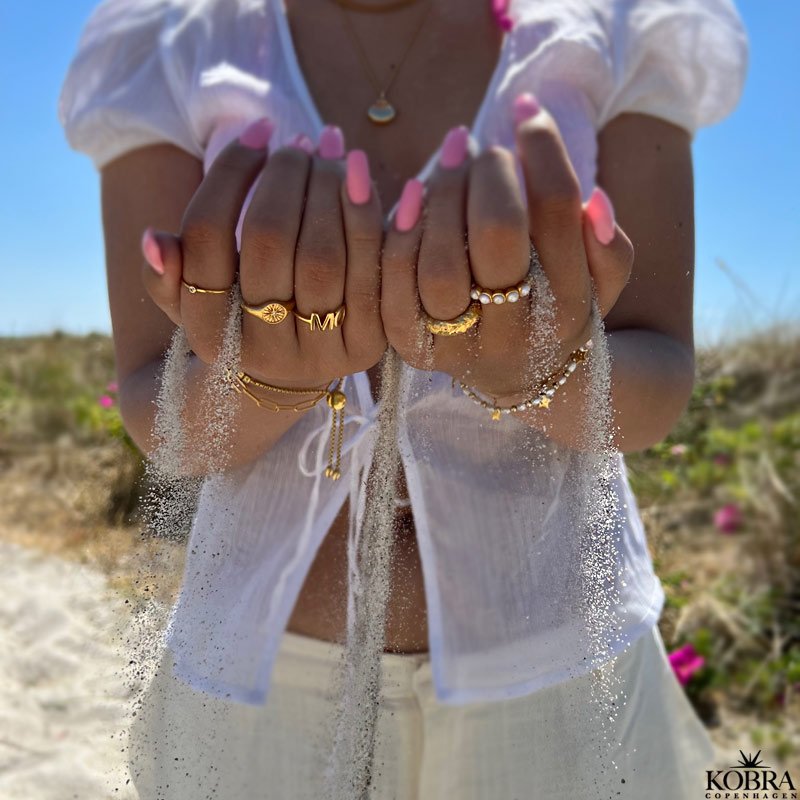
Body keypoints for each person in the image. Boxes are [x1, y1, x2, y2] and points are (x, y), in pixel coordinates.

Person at [59, 0, 748, 797]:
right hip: (258, 677)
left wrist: (545, 373)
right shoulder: (174, 35)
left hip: (564, 662)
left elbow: (657, 367)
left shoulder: (617, 21)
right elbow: (155, 400)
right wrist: (263, 384)